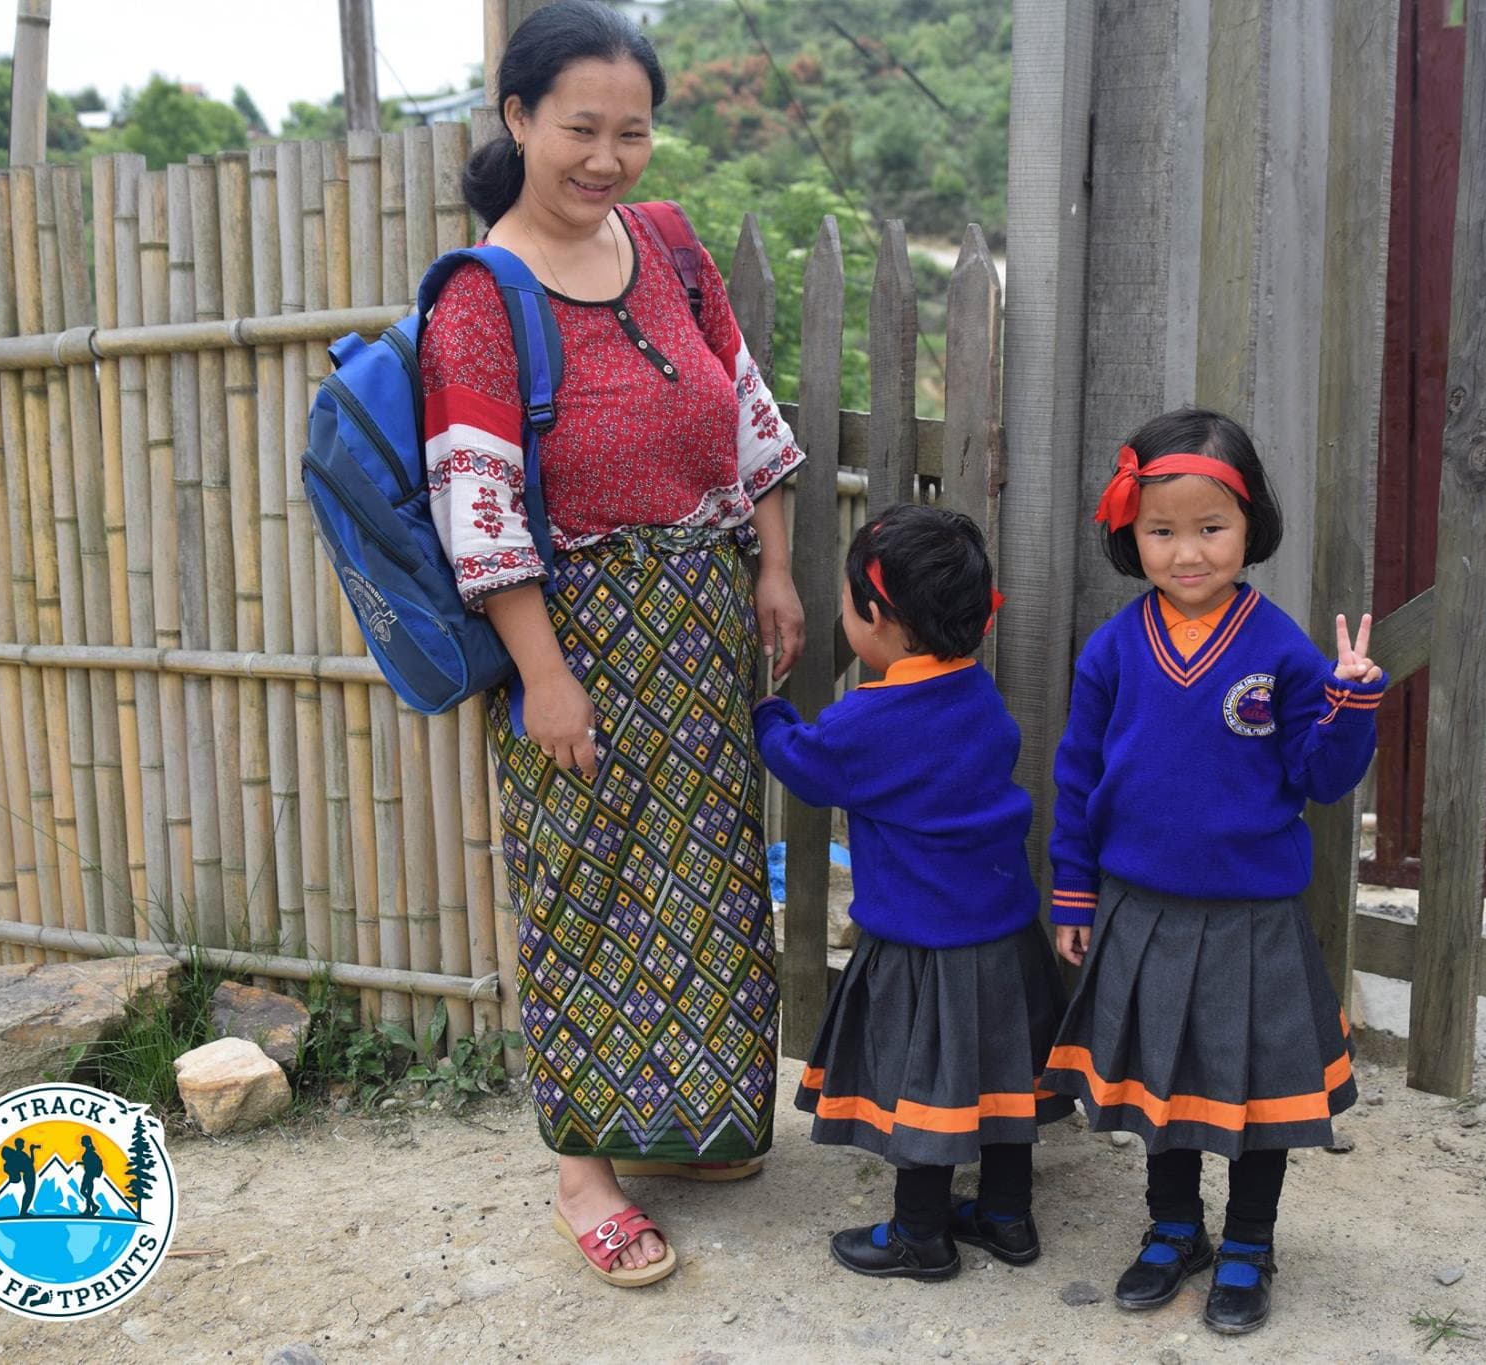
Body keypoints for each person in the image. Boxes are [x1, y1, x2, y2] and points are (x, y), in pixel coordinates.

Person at [423, 0, 806, 1288]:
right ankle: (584, 1172)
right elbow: (475, 508)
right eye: (578, 128)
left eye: (630, 132)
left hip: (700, 626)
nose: (605, 158)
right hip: (571, 636)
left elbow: (745, 412)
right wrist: (541, 676)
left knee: (704, 881)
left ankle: (687, 1123)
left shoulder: (670, 244)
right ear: (518, 118)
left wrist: (776, 567)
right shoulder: (481, 299)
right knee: (581, 887)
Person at [1042, 407, 1387, 1335]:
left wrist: (1349, 703)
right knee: (1165, 1083)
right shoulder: (1115, 648)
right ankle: (1173, 1229)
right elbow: (1078, 776)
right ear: (1131, 533)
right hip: (1141, 908)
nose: (1186, 553)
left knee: (1255, 1090)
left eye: (1210, 528)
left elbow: (1320, 777)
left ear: (1251, 527)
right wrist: (1073, 888)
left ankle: (1250, 1241)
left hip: (1252, 918)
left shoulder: (1281, 648)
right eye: (1162, 531)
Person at [752, 505, 1071, 1281]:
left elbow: (808, 762)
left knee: (927, 1085)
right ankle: (1006, 1216)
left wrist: (766, 716)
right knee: (1001, 1077)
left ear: (877, 618)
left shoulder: (874, 718)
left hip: (924, 942)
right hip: (1005, 934)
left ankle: (920, 1234)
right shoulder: (979, 697)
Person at [78, 1135, 105, 1217]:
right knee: (88, 1193)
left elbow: (90, 1163)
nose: (81, 1142)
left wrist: (84, 1164)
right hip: (90, 1174)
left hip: (89, 1174)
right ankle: (89, 1209)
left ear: (86, 1142)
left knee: (83, 1191)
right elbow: (88, 1162)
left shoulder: (89, 1152)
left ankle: (93, 1206)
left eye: (82, 1141)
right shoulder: (89, 1151)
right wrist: (81, 1163)